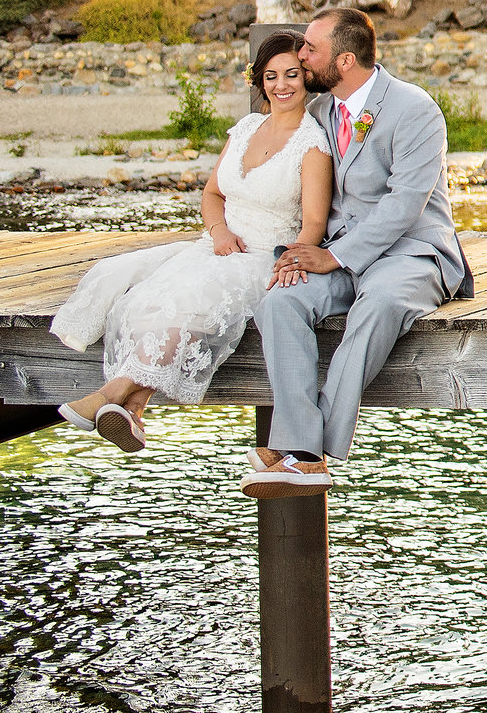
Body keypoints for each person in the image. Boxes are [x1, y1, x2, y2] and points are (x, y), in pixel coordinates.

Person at [50, 33, 333, 452]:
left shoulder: (312, 144)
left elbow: (313, 222)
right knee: (138, 288)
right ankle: (134, 407)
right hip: (217, 243)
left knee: (189, 302)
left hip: (263, 257)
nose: (282, 85)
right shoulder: (248, 127)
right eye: (271, 75)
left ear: (307, 78)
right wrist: (218, 232)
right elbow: (212, 194)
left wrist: (291, 260)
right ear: (260, 80)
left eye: (292, 74)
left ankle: (113, 394)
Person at [243, 6, 471, 499]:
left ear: (344, 61)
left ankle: (304, 451)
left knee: (381, 304)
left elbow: (406, 203)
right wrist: (298, 249)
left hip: (411, 252)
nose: (301, 58)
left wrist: (336, 257)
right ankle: (304, 453)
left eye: (309, 49)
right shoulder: (321, 111)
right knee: (279, 301)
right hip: (338, 251)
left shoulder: (415, 109)